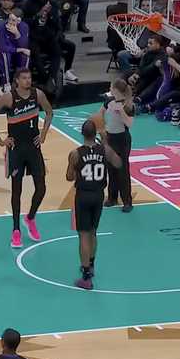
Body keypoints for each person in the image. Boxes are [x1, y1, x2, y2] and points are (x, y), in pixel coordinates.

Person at [0, 68, 53, 248]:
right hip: (16, 150)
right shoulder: (8, 97)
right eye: (24, 78)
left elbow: (49, 112)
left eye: (29, 77)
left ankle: (30, 218)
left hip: (33, 148)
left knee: (41, 188)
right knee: (17, 191)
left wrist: (43, 134)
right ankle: (16, 230)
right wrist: (0, 141)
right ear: (17, 81)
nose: (28, 80)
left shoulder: (38, 94)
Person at [66, 120, 121, 290]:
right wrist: (105, 144)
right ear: (95, 133)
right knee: (93, 232)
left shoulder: (75, 153)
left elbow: (69, 177)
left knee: (83, 235)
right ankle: (91, 264)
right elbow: (118, 163)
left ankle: (86, 277)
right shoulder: (105, 150)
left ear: (82, 134)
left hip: (83, 196)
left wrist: (76, 168)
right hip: (98, 195)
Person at [98, 79, 134, 212]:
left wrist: (121, 111)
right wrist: (102, 129)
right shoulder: (109, 101)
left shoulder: (128, 105)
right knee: (111, 169)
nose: (110, 89)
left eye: (111, 87)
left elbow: (129, 124)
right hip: (110, 138)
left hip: (122, 140)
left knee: (123, 171)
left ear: (116, 90)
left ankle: (127, 202)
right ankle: (112, 198)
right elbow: (100, 113)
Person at [23, 0, 62, 89]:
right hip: (34, 36)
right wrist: (38, 14)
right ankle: (45, 78)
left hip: (48, 35)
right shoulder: (28, 3)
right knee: (34, 53)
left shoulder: (52, 2)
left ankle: (52, 78)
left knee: (57, 51)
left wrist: (50, 14)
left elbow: (56, 21)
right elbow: (25, 22)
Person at [0, 11, 29, 92]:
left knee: (25, 56)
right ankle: (6, 83)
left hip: (15, 51)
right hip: (5, 52)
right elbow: (2, 47)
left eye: (13, 20)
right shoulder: (1, 27)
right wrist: (19, 49)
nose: (10, 22)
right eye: (9, 19)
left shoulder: (24, 26)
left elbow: (24, 45)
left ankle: (20, 83)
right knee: (5, 55)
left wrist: (17, 34)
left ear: (19, 21)